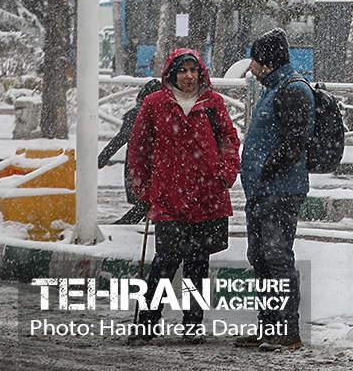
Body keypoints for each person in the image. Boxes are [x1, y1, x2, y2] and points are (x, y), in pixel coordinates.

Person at [125, 49, 239, 344]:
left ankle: (193, 324)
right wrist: (144, 188)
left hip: (207, 197)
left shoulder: (213, 104)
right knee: (165, 262)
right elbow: (138, 150)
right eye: (182, 70)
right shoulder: (154, 105)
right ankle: (146, 323)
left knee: (198, 264)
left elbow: (229, 140)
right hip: (169, 198)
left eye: (193, 70)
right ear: (171, 74)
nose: (189, 76)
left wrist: (226, 174)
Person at [236, 28, 313, 352]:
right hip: (262, 191)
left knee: (276, 257)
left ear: (266, 61)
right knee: (261, 259)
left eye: (254, 59)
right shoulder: (273, 88)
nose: (251, 66)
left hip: (279, 191)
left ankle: (287, 330)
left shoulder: (292, 89)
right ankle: (268, 326)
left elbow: (296, 141)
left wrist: (268, 169)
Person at [99, 77, 162, 225]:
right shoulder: (146, 114)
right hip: (148, 166)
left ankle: (129, 225)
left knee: (148, 202)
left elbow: (120, 139)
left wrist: (102, 159)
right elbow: (121, 138)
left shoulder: (138, 113)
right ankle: (127, 226)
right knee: (150, 201)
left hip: (139, 165)